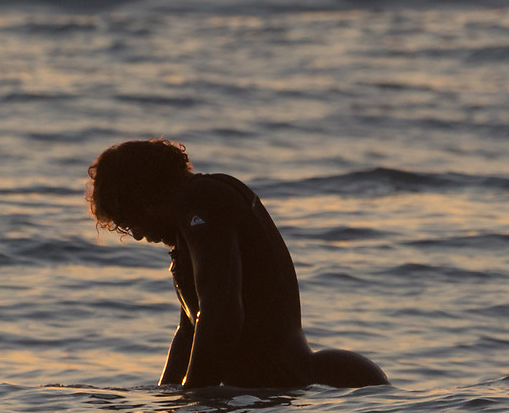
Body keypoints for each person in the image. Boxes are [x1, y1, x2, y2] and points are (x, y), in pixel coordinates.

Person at [87, 139, 388, 389]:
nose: (138, 234)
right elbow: (191, 328)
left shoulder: (202, 200)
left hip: (292, 386)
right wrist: (166, 396)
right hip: (272, 390)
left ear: (143, 196)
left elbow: (221, 313)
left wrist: (192, 404)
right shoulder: (197, 211)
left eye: (130, 221)